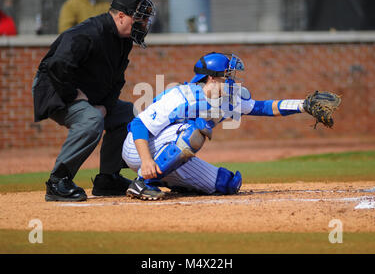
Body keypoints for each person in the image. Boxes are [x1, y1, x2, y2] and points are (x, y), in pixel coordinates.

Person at [122, 52, 340, 200]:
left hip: (169, 150)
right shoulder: (181, 96)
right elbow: (139, 124)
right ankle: (142, 183)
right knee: (194, 131)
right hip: (139, 148)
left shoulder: (228, 98)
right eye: (226, 76)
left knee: (227, 184)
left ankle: (170, 180)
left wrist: (303, 105)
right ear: (210, 78)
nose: (231, 80)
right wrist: (146, 161)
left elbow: (263, 107)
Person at [32, 0, 156, 202]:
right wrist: (74, 95)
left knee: (130, 115)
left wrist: (106, 105)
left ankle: (107, 179)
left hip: (86, 92)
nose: (143, 23)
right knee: (91, 119)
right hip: (54, 88)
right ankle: (57, 181)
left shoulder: (122, 39)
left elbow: (116, 80)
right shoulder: (88, 32)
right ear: (120, 16)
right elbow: (57, 66)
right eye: (140, 17)